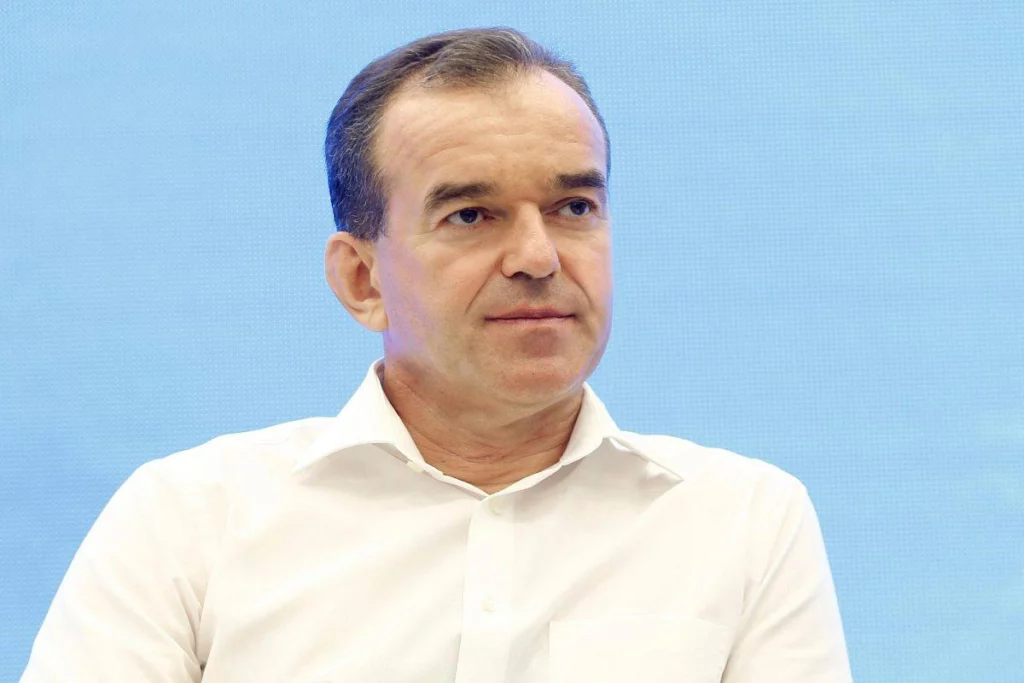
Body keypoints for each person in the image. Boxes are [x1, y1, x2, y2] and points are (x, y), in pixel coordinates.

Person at [21, 28, 852, 682]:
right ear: (361, 279)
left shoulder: (744, 523)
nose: (538, 256)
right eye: (470, 215)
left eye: (573, 206)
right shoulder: (189, 522)